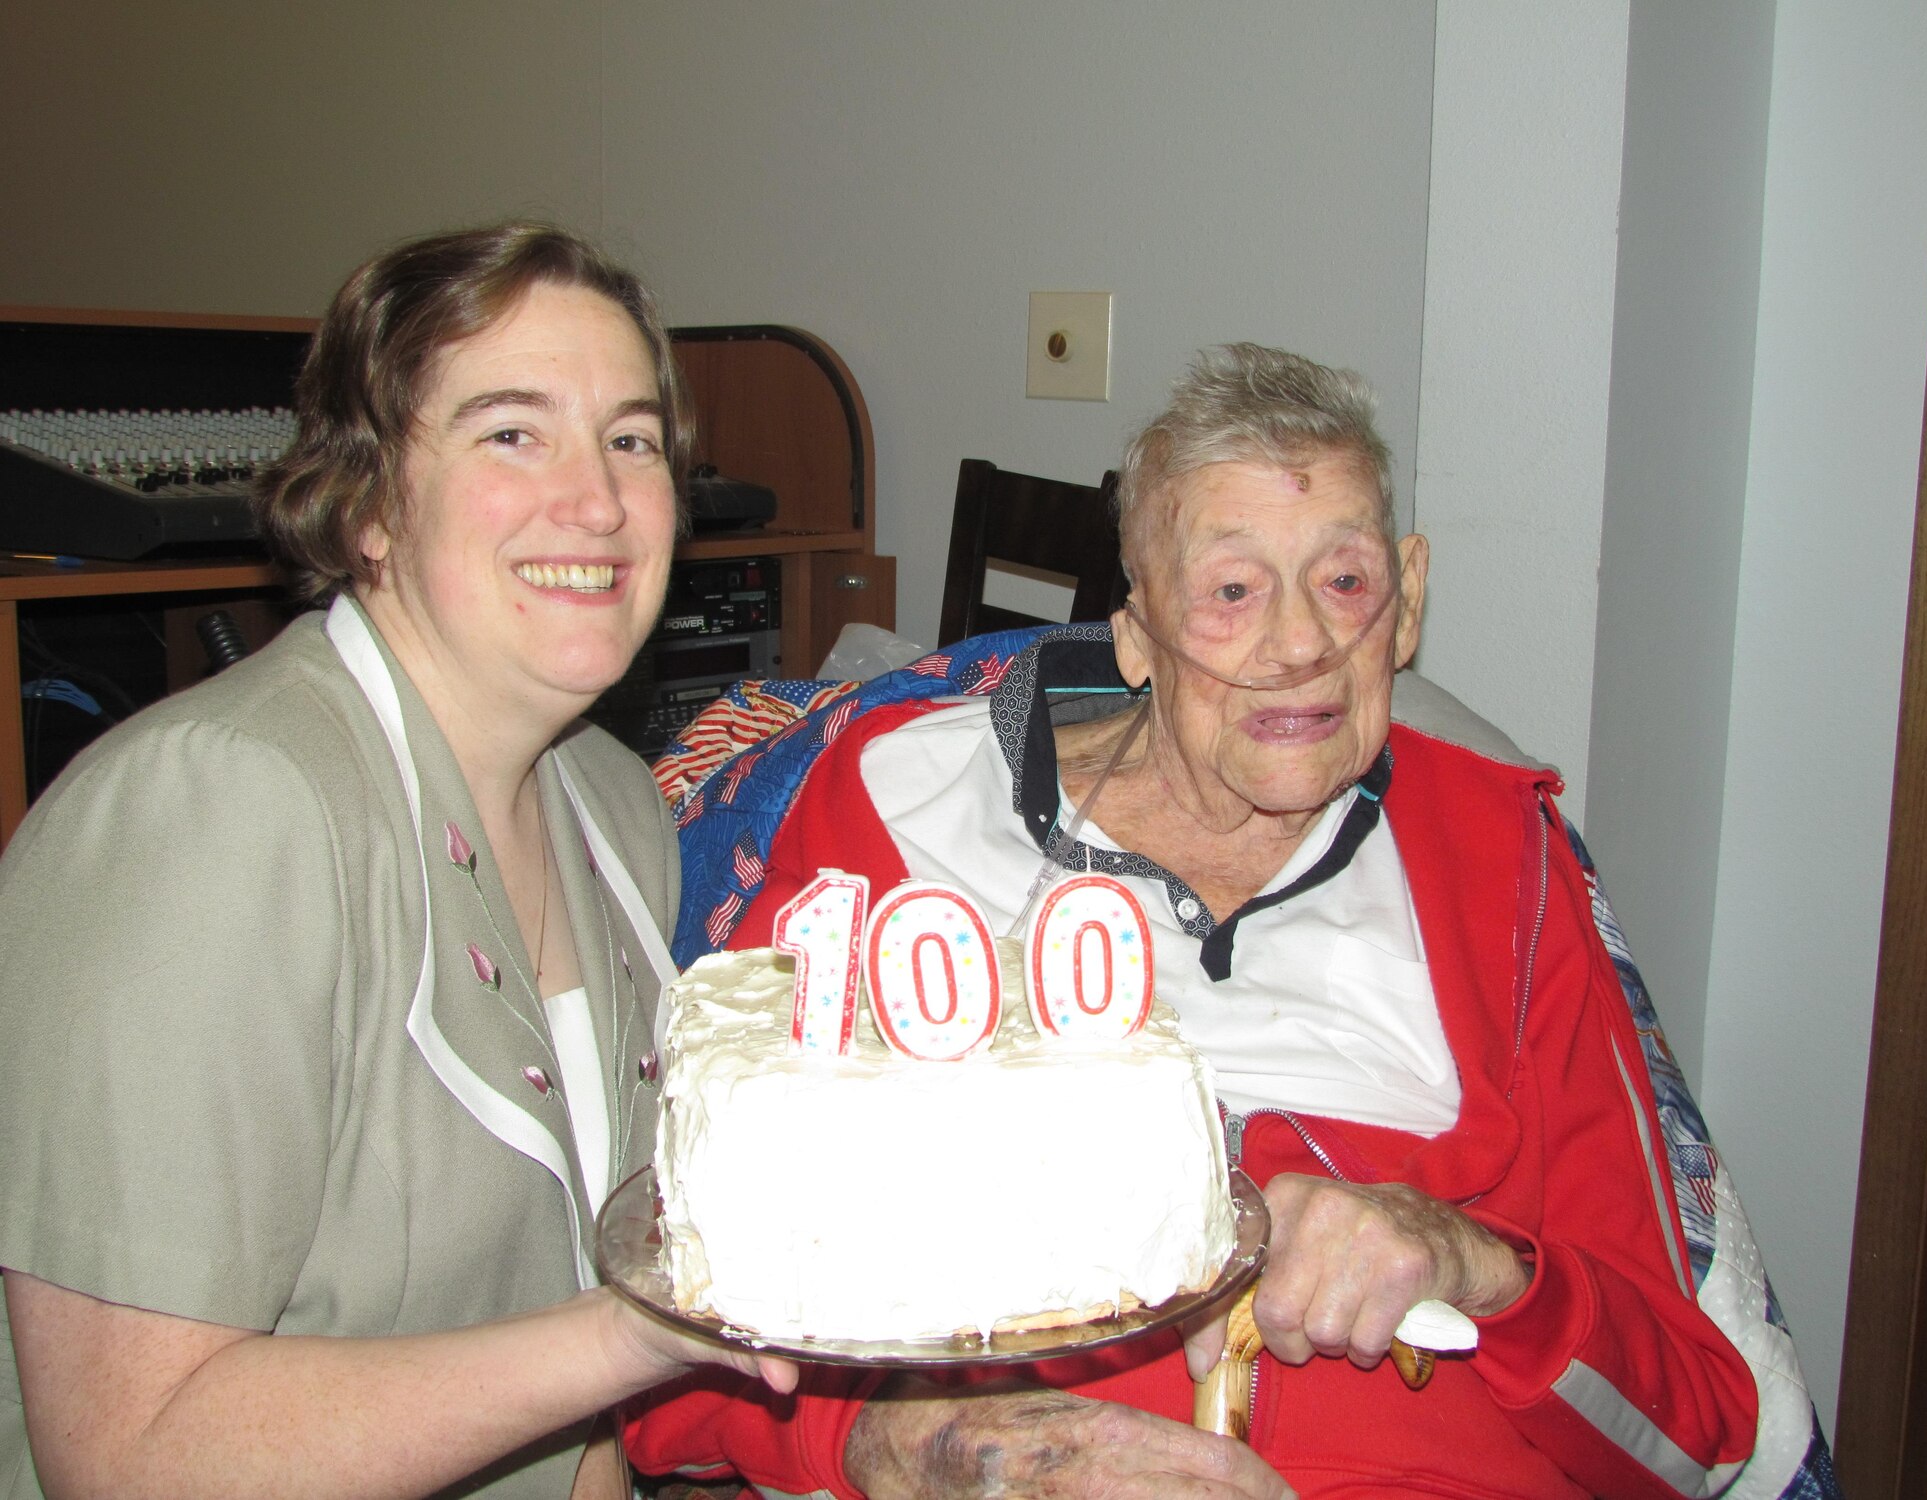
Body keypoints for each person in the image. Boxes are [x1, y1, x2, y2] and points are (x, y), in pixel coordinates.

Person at [624, 345, 1760, 1499]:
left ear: (1407, 601)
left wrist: (1471, 1259)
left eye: (1346, 581)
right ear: (1134, 636)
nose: (1300, 645)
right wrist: (903, 1442)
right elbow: (682, 1340)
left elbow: (1694, 1431)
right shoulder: (893, 805)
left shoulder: (1504, 862)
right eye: (1229, 591)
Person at [0, 222, 793, 1500]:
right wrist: (641, 1334)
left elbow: (577, 1403)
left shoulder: (611, 804)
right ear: (369, 503)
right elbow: (129, 1455)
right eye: (510, 432)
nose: (596, 501)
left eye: (631, 441)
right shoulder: (216, 810)